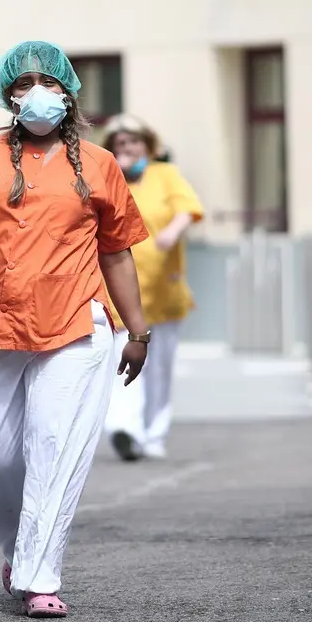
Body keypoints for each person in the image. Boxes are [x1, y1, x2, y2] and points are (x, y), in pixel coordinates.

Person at [0, 41, 151, 619]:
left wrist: (138, 330)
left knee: (53, 448)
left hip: (76, 324)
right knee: (1, 461)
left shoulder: (100, 165)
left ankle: (39, 576)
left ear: (68, 92)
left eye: (48, 82)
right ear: (9, 94)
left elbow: (118, 254)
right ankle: (17, 551)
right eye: (24, 82)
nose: (37, 92)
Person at [99, 114, 205, 462]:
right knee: (121, 363)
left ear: (147, 145)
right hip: (120, 295)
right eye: (121, 144)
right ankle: (126, 430)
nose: (128, 149)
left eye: (134, 142)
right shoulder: (107, 179)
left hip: (163, 293)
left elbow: (187, 208)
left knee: (159, 369)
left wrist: (174, 230)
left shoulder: (165, 175)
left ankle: (154, 434)